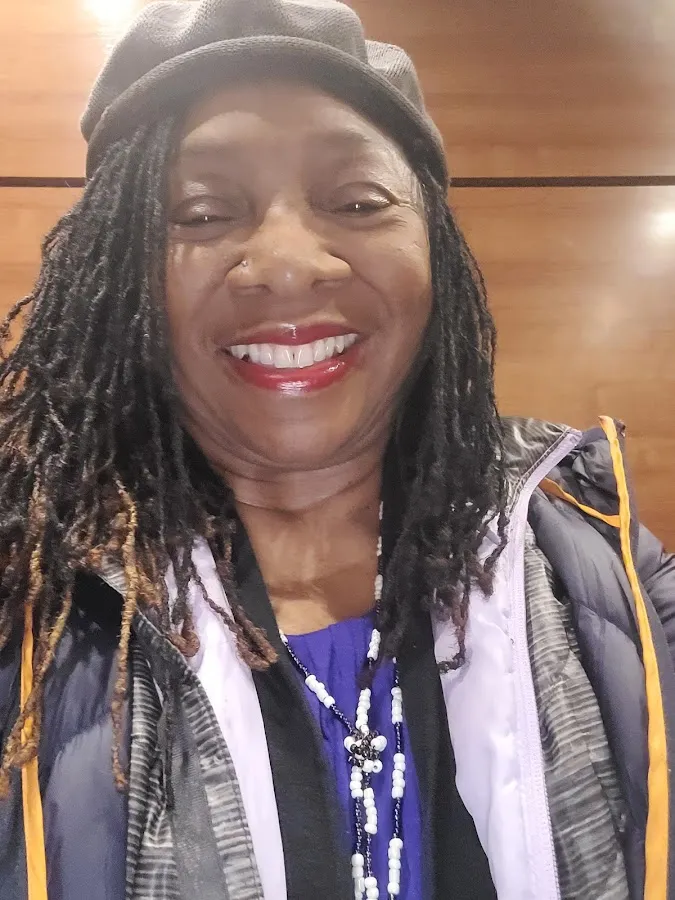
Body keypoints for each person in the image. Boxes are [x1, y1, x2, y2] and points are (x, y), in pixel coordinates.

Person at [0, 0, 673, 898]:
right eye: (201, 213)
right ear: (117, 278)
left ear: (434, 250)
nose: (288, 262)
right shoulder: (28, 601)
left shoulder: (597, 558)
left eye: (357, 202)